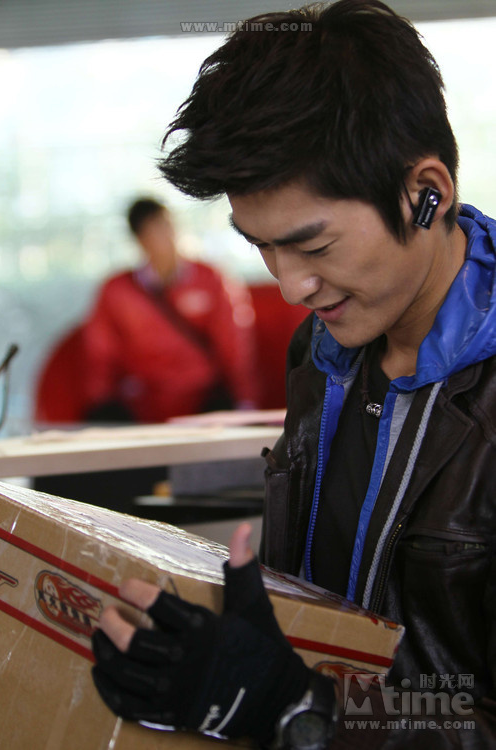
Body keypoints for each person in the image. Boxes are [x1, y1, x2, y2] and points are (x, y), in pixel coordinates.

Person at [91, 1, 496, 747]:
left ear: (426, 193)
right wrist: (242, 654)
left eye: (313, 246)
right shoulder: (322, 353)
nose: (290, 287)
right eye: (263, 246)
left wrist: (296, 707)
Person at [79, 196, 259, 423]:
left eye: (167, 225)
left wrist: (244, 399)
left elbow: (235, 344)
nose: (167, 235)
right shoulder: (117, 291)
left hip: (203, 399)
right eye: (155, 229)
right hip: (141, 404)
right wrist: (101, 402)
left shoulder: (211, 279)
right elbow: (100, 353)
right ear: (139, 239)